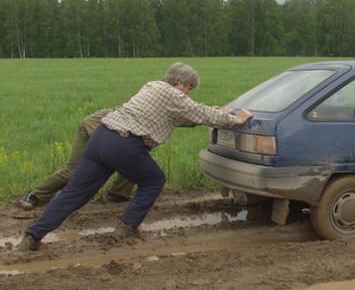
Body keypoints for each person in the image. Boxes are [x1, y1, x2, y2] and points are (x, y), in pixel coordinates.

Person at [17, 62, 252, 252]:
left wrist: (216, 112)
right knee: (154, 180)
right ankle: (127, 226)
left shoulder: (152, 86)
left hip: (100, 138)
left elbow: (186, 116)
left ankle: (32, 236)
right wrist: (235, 119)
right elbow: (198, 112)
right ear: (180, 83)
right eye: (189, 87)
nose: (189, 92)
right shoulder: (172, 94)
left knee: (73, 194)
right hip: (125, 144)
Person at [19, 109, 135, 210]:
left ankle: (118, 194)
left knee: (134, 160)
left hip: (113, 137)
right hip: (91, 128)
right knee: (73, 171)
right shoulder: (139, 111)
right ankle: (35, 195)